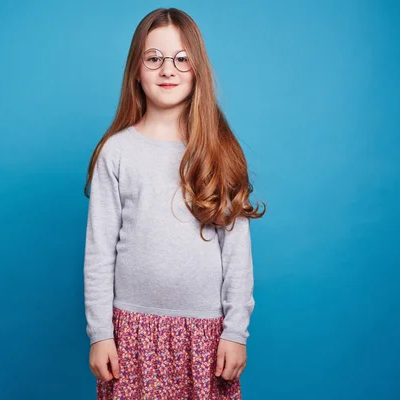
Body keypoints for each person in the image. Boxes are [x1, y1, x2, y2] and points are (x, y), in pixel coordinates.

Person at [83, 7, 266, 399]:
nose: (169, 70)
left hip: (205, 336)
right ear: (136, 68)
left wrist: (236, 331)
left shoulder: (220, 152)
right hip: (131, 334)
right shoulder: (116, 153)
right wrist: (100, 333)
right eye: (155, 58)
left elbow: (236, 253)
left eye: (182, 59)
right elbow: (99, 252)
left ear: (197, 68)